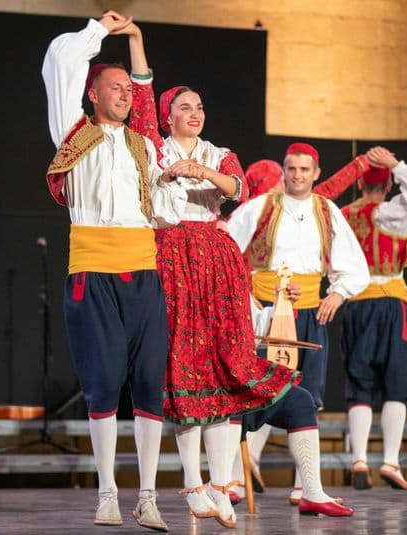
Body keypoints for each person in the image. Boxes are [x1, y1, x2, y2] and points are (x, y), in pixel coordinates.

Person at [123, 23, 311, 529]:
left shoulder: (216, 153)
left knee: (227, 364)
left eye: (199, 106)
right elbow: (141, 90)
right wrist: (137, 38)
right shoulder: (152, 147)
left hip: (217, 259)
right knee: (185, 366)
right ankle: (192, 484)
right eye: (185, 106)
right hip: (172, 256)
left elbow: (235, 183)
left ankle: (223, 481)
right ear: (168, 116)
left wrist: (202, 173)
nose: (195, 113)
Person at [41, 11, 191, 531]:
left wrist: (179, 179)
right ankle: (107, 492)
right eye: (116, 87)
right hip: (92, 270)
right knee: (103, 383)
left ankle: (147, 496)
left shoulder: (143, 145)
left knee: (150, 382)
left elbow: (163, 202)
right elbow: (59, 59)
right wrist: (99, 31)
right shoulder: (72, 132)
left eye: (129, 87)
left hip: (142, 273)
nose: (126, 94)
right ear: (93, 95)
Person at [227, 142, 370, 505]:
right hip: (267, 315)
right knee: (259, 391)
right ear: (283, 172)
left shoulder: (327, 211)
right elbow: (225, 250)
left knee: (310, 397)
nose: (297, 176)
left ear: (316, 173)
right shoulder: (260, 207)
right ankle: (231, 478)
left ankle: (303, 484)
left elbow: (352, 262)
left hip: (309, 312)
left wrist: (338, 293)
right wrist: (248, 297)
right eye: (291, 169)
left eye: (304, 170)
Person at [340, 146, 407, 491]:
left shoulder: (343, 215)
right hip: (393, 303)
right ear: (389, 186)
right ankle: (391, 460)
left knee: (359, 381)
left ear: (359, 184)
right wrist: (397, 165)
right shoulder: (394, 213)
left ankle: (359, 459)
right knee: (396, 381)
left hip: (357, 304)